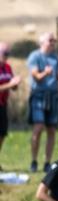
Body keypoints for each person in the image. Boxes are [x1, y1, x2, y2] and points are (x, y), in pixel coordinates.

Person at [27, 32, 58, 172]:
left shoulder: (55, 58)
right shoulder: (35, 56)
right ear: (42, 42)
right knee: (38, 128)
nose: (53, 43)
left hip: (53, 96)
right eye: (50, 40)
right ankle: (34, 161)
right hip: (38, 95)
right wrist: (45, 72)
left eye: (54, 41)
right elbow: (36, 76)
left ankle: (47, 162)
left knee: (51, 130)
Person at [0, 42, 21, 170]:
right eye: (5, 53)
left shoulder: (8, 67)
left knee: (2, 133)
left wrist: (15, 84)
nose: (7, 56)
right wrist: (10, 84)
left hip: (3, 104)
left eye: (8, 53)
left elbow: (13, 86)